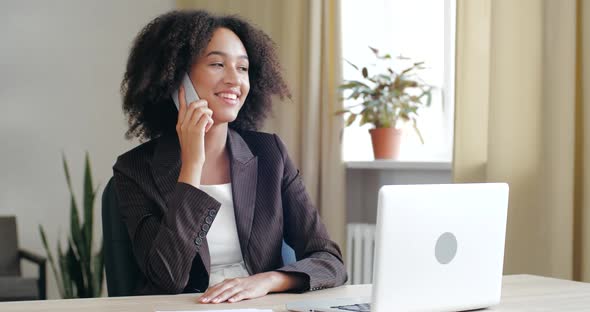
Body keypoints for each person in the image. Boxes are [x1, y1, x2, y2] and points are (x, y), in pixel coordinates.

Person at [113, 10, 347, 303]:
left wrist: (268, 281)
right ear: (176, 79)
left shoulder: (270, 154)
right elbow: (168, 277)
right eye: (217, 64)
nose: (234, 80)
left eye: (243, 68)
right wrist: (192, 165)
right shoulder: (135, 169)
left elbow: (329, 260)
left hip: (260, 305)